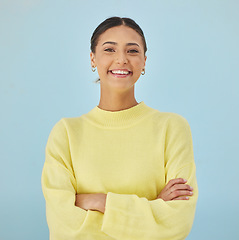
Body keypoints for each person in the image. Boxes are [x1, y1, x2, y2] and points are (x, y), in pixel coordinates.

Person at [41, 16, 198, 240]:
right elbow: (64, 226)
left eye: (132, 51)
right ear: (92, 58)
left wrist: (99, 202)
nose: (122, 59)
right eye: (109, 49)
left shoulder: (172, 128)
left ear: (144, 61)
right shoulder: (66, 133)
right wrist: (152, 208)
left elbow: (177, 222)